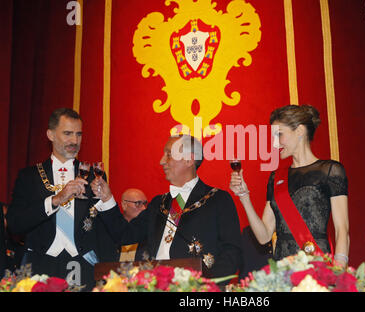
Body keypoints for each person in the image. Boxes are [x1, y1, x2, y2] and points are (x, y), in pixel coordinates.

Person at [94, 135, 242, 281]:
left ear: (189, 160)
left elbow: (232, 252)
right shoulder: (158, 203)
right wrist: (107, 199)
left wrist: (207, 285)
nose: (162, 161)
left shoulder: (217, 199)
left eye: (169, 155)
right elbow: (125, 236)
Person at [6, 108, 118, 290]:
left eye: (78, 134)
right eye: (67, 134)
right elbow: (14, 224)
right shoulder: (30, 176)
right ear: (50, 135)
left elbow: (108, 230)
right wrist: (55, 200)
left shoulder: (95, 177)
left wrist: (108, 274)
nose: (74, 141)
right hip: (40, 266)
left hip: (85, 268)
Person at [230, 104, 350, 267]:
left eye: (279, 135)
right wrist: (244, 197)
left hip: (319, 267)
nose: (275, 144)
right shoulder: (277, 177)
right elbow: (264, 236)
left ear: (300, 131)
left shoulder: (330, 170)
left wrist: (339, 269)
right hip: (283, 272)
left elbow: (342, 230)